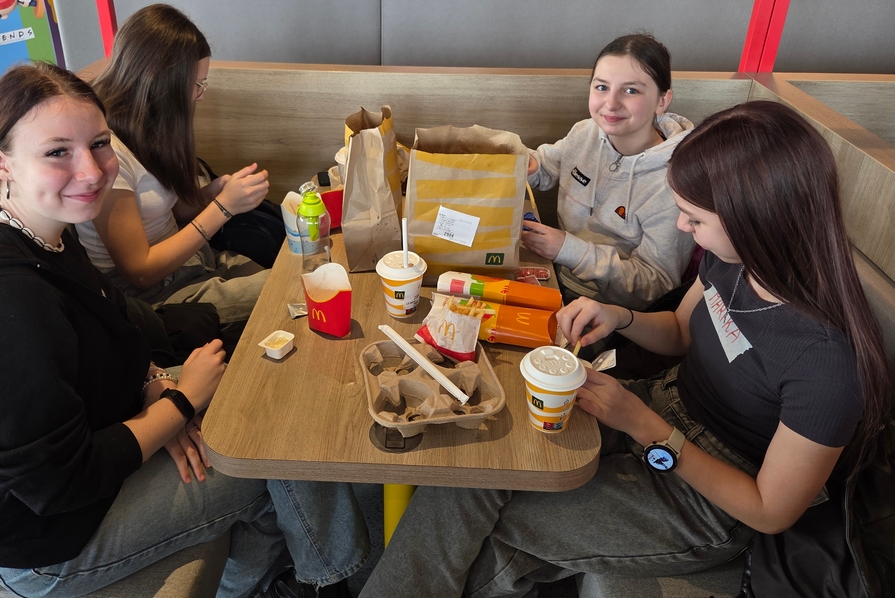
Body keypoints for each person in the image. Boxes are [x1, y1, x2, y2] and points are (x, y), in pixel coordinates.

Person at [359, 101, 892, 598]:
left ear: (758, 217)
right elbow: (680, 333)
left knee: (503, 527)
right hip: (661, 406)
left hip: (710, 502)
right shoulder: (735, 262)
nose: (683, 227)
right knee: (479, 467)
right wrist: (619, 316)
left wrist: (644, 426)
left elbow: (770, 511)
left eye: (695, 219)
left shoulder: (828, 362)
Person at [0, 63, 368, 598]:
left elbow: (114, 327)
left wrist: (154, 384)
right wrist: (180, 406)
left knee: (264, 386)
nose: (91, 171)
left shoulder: (48, 235)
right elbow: (55, 483)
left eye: (99, 144)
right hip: (46, 543)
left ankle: (279, 578)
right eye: (57, 152)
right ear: (0, 162)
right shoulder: (3, 299)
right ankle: (324, 582)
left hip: (96, 443)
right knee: (270, 447)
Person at [76, 4, 269, 345]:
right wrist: (223, 208)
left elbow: (173, 213)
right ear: (161, 82)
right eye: (196, 84)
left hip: (191, 261)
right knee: (289, 291)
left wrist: (213, 193)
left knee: (293, 272)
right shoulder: (106, 153)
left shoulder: (148, 127)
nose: (199, 95)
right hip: (152, 295)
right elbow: (139, 272)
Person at [523, 33, 695, 311]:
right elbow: (545, 166)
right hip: (554, 276)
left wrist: (569, 251)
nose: (611, 103)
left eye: (631, 91)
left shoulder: (676, 181)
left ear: (662, 101)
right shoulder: (586, 132)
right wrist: (528, 164)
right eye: (602, 87)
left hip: (614, 312)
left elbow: (656, 285)